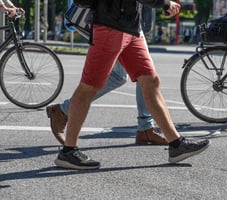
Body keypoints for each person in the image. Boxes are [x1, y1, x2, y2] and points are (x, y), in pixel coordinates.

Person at [54, 0, 210, 170]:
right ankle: (68, 151)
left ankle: (176, 145)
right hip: (110, 25)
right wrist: (164, 3)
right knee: (89, 87)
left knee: (150, 81)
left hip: (131, 27)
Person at [47, 6, 167, 146]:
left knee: (145, 75)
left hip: (128, 21)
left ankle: (147, 128)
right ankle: (63, 118)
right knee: (122, 76)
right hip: (110, 19)